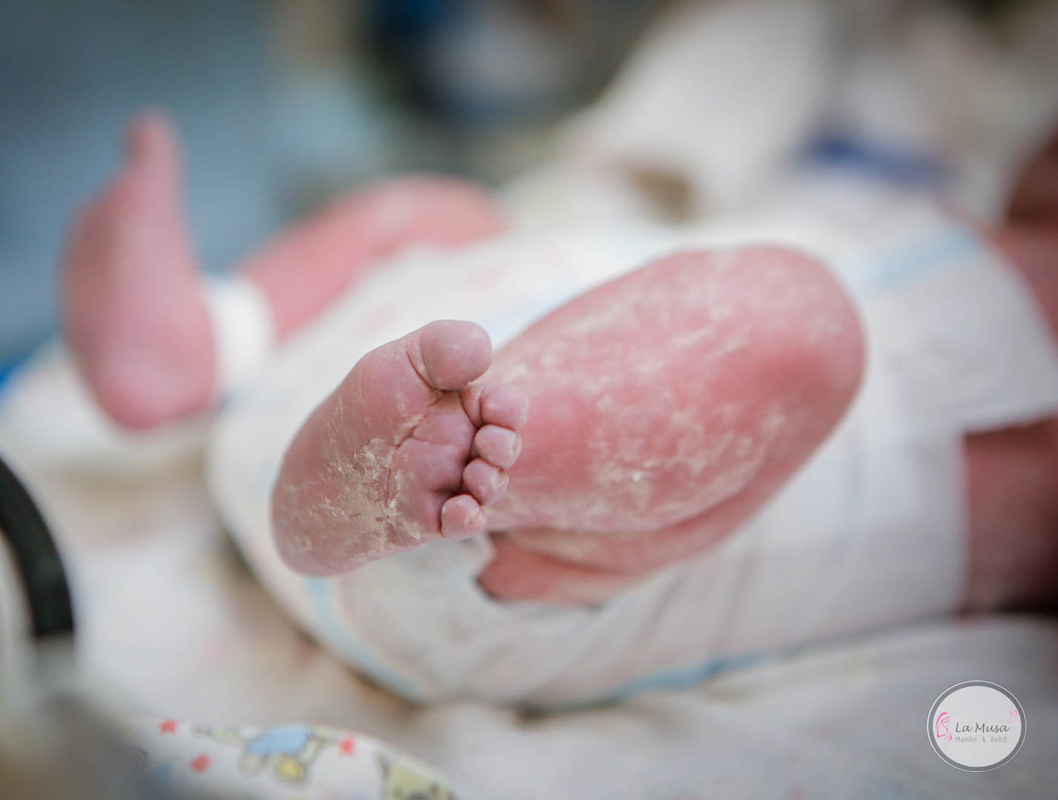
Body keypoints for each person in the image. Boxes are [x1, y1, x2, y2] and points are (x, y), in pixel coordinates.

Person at [60, 112, 1058, 706]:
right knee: (449, 214)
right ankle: (203, 344)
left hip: (530, 562)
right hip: (425, 365)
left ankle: (478, 448)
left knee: (792, 326)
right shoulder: (923, 207)